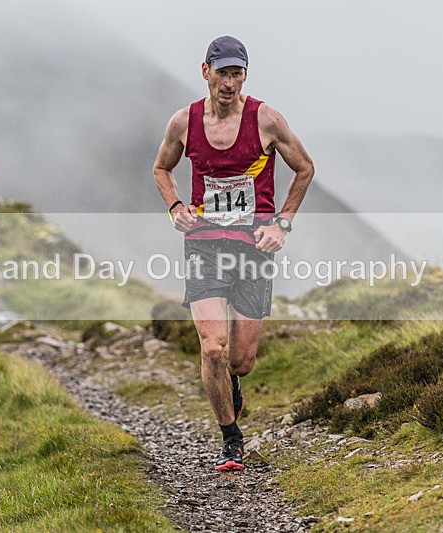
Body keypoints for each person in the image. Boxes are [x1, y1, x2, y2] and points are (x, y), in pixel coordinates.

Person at [153, 36, 315, 471]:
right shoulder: (183, 123)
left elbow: (305, 167)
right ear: (204, 71)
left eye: (236, 73)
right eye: (221, 72)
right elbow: (161, 168)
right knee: (212, 348)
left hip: (253, 249)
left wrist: (282, 223)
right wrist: (175, 207)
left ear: (245, 75)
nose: (229, 82)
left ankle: (232, 386)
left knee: (240, 360)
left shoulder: (266, 119)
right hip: (204, 245)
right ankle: (231, 438)